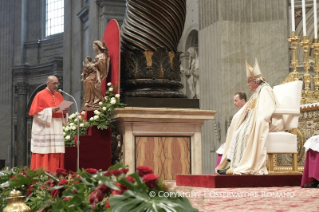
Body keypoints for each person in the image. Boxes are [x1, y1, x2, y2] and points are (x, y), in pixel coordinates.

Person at [216, 58, 283, 175]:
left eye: (249, 82)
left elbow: (267, 109)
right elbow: (251, 107)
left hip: (261, 121)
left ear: (256, 82)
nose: (247, 85)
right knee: (236, 132)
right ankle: (232, 165)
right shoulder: (257, 92)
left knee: (244, 134)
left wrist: (256, 117)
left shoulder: (265, 90)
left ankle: (239, 165)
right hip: (252, 121)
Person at [29, 76, 69, 173]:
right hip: (45, 128)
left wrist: (64, 112)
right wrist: (50, 110)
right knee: (44, 152)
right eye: (54, 83)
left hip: (56, 127)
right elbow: (36, 113)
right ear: (48, 83)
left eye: (57, 83)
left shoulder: (59, 95)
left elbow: (63, 114)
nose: (56, 85)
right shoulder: (40, 95)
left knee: (55, 152)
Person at [215, 91, 247, 170]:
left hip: (241, 140)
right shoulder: (240, 111)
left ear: (243, 100)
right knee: (221, 150)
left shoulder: (247, 110)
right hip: (234, 139)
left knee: (224, 152)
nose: (234, 103)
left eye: (236, 100)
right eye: (233, 100)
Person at [82, 40, 109, 110]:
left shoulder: (102, 55)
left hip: (99, 73)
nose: (93, 48)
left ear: (98, 46)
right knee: (86, 80)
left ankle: (94, 100)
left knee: (89, 81)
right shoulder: (98, 55)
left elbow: (102, 64)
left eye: (94, 46)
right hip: (94, 72)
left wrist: (93, 65)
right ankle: (89, 100)